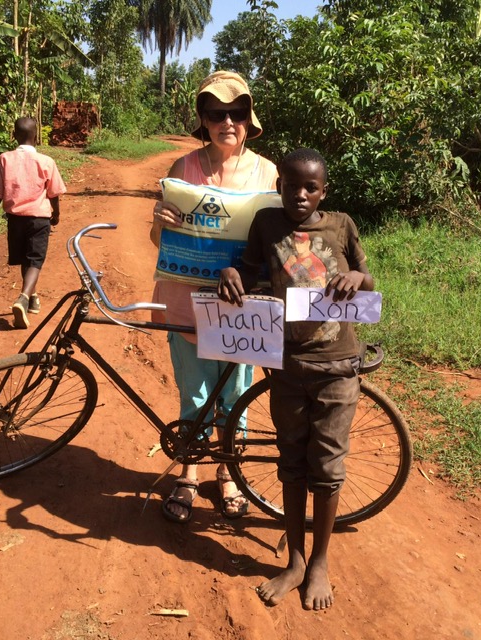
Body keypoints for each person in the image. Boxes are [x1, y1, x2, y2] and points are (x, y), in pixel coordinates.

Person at [218, 148, 374, 610]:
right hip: (285, 367)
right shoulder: (267, 224)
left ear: (324, 191)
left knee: (326, 468)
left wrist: (355, 279)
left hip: (338, 367)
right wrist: (231, 273)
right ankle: (296, 561)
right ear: (279, 186)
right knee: (290, 462)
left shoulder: (341, 225)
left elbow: (368, 279)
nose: (300, 195)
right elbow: (249, 274)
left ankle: (320, 561)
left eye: (311, 188)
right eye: (292, 186)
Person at [150, 71, 278, 523]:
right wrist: (161, 221)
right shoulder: (182, 169)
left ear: (248, 118)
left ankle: (229, 474)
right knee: (195, 394)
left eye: (236, 112)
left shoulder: (268, 172)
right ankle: (188, 474)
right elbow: (157, 240)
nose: (228, 121)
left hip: (241, 307)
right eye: (216, 113)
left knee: (236, 395)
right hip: (186, 301)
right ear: (203, 119)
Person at [0, 116, 66, 329]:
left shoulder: (5, 159)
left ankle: (32, 298)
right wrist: (56, 214)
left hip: (15, 220)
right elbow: (54, 193)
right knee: (35, 260)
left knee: (24, 259)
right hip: (39, 219)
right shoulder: (46, 161)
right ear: (36, 137)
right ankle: (23, 298)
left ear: (14, 136)